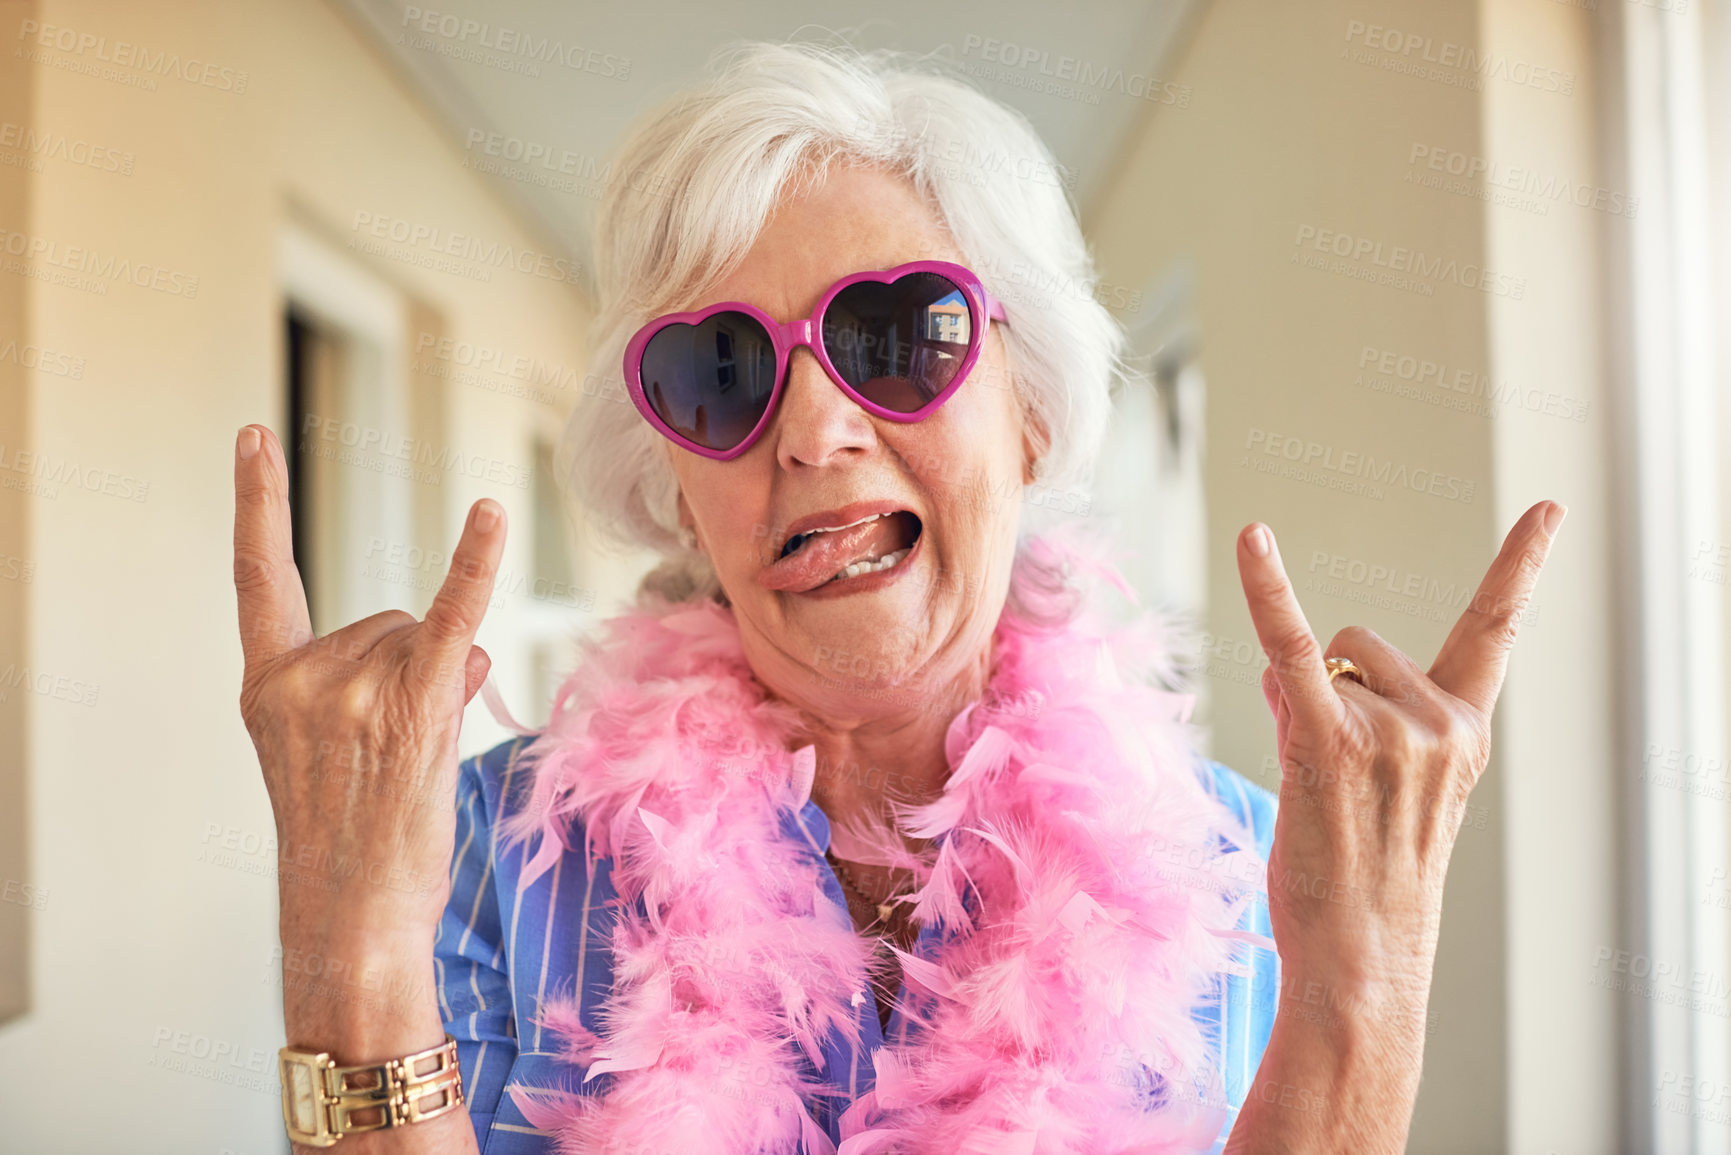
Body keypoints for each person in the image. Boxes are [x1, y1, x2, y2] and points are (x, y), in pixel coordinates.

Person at [234, 41, 1563, 1155]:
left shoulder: (1265, 877)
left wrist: (1361, 989)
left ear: (1033, 416)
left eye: (894, 337)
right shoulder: (472, 854)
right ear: (675, 484)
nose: (811, 432)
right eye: (718, 372)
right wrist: (348, 957)